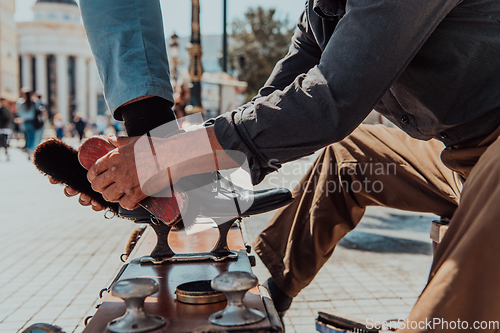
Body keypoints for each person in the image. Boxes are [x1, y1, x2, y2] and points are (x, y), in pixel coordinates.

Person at [62, 0, 500, 331]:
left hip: (493, 159)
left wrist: (161, 156)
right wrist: (172, 178)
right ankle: (272, 297)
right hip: (456, 157)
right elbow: (281, 97)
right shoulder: (323, 7)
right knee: (348, 157)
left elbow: (331, 98)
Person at [16, 88, 44, 159]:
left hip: (25, 122)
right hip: (32, 122)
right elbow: (40, 111)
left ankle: (28, 148)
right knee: (32, 136)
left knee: (27, 136)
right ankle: (31, 149)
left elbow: (20, 113)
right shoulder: (35, 103)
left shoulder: (21, 103)